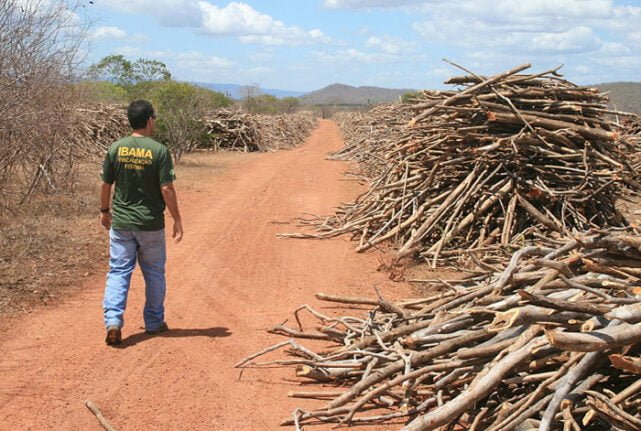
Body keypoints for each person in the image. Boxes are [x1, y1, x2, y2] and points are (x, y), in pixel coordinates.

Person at [99, 100, 183, 346]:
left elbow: (106, 185)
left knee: (118, 271)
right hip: (150, 225)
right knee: (154, 273)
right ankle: (154, 322)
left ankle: (113, 321)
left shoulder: (116, 148)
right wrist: (177, 219)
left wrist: (105, 211)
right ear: (149, 120)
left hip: (122, 224)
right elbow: (166, 188)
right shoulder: (159, 150)